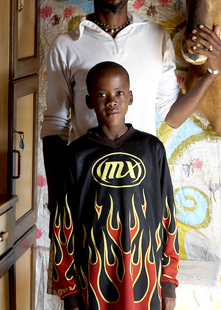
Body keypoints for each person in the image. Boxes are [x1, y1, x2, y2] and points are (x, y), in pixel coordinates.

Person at [41, 0, 221, 206]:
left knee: (143, 246)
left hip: (143, 182)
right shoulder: (67, 45)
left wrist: (212, 72)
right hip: (88, 186)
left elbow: (171, 115)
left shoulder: (156, 37)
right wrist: (57, 200)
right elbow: (56, 125)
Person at [50, 62, 179, 310]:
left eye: (119, 93)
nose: (112, 101)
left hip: (145, 280)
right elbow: (62, 227)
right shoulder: (76, 154)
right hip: (94, 279)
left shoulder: (152, 150)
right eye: (102, 95)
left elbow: (168, 218)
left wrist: (169, 282)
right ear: (89, 101)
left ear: (130, 97)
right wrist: (70, 292)